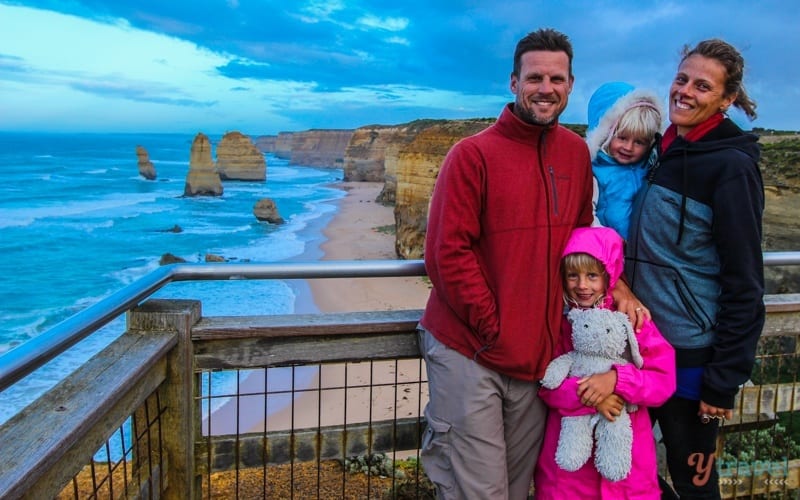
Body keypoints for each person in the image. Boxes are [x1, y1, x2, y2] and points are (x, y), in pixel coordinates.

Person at [417, 28, 647, 499]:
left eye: (556, 78)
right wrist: (495, 328)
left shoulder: (573, 155)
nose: (546, 88)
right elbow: (446, 254)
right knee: (476, 491)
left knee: (520, 486)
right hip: (471, 350)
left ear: (570, 83)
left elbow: (586, 239)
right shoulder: (472, 155)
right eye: (535, 77)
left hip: (540, 360)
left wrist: (616, 284)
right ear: (513, 82)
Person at [625, 38, 765, 499]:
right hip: (641, 348)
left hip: (692, 361)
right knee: (629, 472)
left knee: (694, 488)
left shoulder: (731, 168)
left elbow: (745, 283)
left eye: (702, 86)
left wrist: (723, 382)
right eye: (682, 79)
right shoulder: (666, 150)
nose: (684, 91)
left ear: (726, 100)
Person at [534, 226, 676, 499]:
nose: (582, 285)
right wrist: (591, 396)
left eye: (592, 276)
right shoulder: (561, 325)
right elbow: (547, 383)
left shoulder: (632, 321)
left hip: (628, 468)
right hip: (570, 475)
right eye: (572, 275)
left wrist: (618, 380)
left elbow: (663, 378)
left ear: (608, 275)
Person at [585, 82, 664, 240]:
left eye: (639, 142)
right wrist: (607, 241)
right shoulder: (595, 171)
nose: (628, 147)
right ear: (604, 133)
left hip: (641, 250)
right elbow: (588, 215)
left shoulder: (650, 168)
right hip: (609, 250)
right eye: (622, 137)